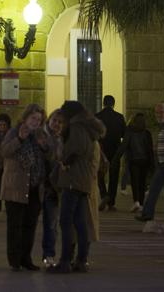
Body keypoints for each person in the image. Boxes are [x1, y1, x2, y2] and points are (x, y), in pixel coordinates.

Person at [48, 100, 105, 274]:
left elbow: (73, 150)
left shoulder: (77, 128)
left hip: (73, 180)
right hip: (83, 181)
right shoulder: (87, 128)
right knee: (80, 222)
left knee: (66, 221)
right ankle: (81, 260)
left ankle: (65, 261)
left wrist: (62, 157)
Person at [0, 103, 46, 272]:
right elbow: (4, 151)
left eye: (39, 120)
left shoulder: (40, 136)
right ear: (25, 118)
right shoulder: (14, 131)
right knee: (15, 226)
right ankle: (14, 260)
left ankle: (26, 258)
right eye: (33, 118)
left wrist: (44, 147)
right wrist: (19, 138)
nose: (35, 122)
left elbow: (47, 158)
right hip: (16, 187)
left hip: (34, 188)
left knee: (30, 226)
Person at [137, 102, 164, 221]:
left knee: (154, 189)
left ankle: (147, 214)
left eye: (160, 112)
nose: (158, 115)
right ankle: (149, 213)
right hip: (162, 162)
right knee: (159, 189)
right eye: (157, 112)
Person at [112, 113, 154, 211]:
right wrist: (152, 163)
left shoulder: (130, 132)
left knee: (135, 182)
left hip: (133, 160)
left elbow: (124, 146)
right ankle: (142, 204)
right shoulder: (147, 133)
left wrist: (116, 158)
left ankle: (136, 202)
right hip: (145, 160)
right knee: (142, 183)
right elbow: (150, 149)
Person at [41, 109, 64, 267]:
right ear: (49, 120)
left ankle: (50, 255)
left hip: (56, 187)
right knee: (49, 223)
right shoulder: (42, 137)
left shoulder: (63, 139)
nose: (56, 124)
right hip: (44, 185)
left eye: (60, 122)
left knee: (52, 223)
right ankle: (47, 255)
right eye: (55, 120)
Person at [95, 94, 126, 211]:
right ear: (114, 104)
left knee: (100, 175)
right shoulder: (119, 117)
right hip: (115, 151)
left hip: (101, 150)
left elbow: (94, 134)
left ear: (103, 103)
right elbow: (124, 134)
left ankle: (104, 195)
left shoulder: (97, 116)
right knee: (114, 176)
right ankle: (111, 202)